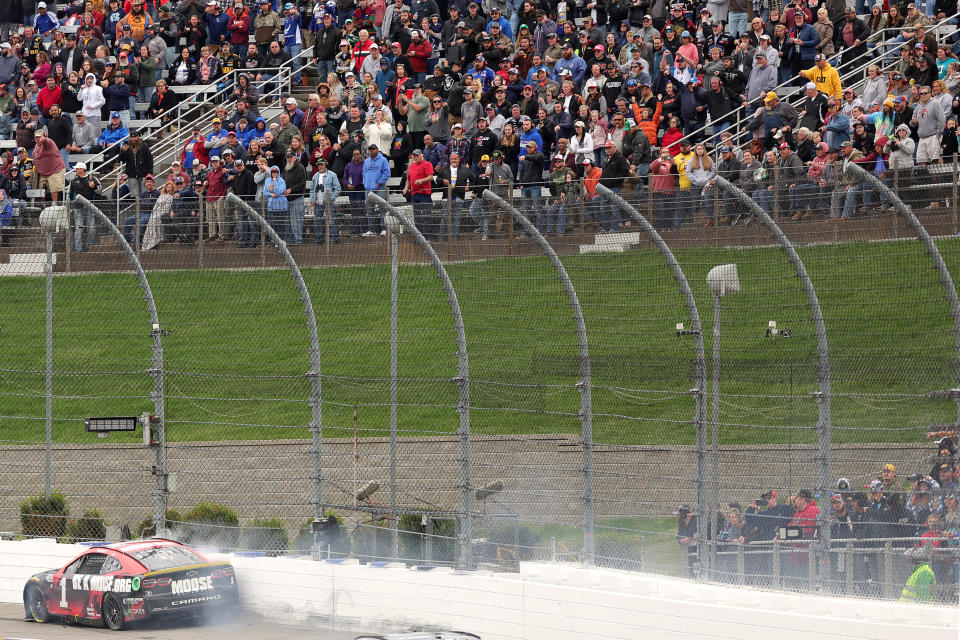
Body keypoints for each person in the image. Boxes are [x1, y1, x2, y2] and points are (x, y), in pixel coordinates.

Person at [69, 162, 101, 252]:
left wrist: (94, 187)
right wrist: (70, 207)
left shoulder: (93, 179)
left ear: (82, 169)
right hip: (78, 208)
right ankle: (78, 250)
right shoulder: (73, 181)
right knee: (78, 229)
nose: (75, 170)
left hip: (91, 208)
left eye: (77, 168)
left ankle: (89, 249)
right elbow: (70, 195)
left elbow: (100, 191)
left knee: (91, 230)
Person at [309, 157, 341, 245]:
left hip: (328, 202)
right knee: (317, 221)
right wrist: (312, 200)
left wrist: (331, 198)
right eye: (319, 165)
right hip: (317, 202)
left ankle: (334, 238)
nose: (320, 166)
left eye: (321, 164)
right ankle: (318, 239)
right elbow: (312, 189)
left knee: (330, 220)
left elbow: (337, 188)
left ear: (325, 165)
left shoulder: (332, 175)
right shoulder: (315, 176)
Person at [361, 143, 390, 236]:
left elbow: (387, 172)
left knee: (382, 208)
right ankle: (372, 230)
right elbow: (364, 173)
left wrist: (380, 182)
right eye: (370, 149)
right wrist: (365, 183)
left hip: (380, 188)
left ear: (377, 150)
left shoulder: (383, 160)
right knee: (370, 210)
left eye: (373, 149)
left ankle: (384, 228)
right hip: (368, 188)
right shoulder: (367, 161)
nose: (372, 151)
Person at [281, 149, 307, 243]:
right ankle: (289, 239)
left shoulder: (300, 167)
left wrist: (291, 189)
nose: (289, 159)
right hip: (287, 198)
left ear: (295, 157)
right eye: (287, 157)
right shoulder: (286, 168)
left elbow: (302, 183)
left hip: (297, 197)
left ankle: (298, 240)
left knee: (296, 220)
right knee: (288, 220)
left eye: (290, 157)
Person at [31, 129, 64, 202]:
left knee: (54, 187)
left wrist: (44, 139)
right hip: (43, 171)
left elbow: (46, 141)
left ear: (44, 136)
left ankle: (54, 204)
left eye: (39, 136)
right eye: (36, 137)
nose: (38, 138)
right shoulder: (36, 145)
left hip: (55, 169)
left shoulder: (49, 142)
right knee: (40, 187)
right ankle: (43, 204)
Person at [263, 165, 288, 242]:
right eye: (273, 172)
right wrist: (270, 194)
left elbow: (279, 191)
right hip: (271, 207)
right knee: (273, 224)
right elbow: (264, 192)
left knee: (280, 224)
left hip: (281, 207)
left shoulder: (282, 181)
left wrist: (274, 183)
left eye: (276, 172)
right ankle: (275, 240)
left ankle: (281, 240)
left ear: (278, 172)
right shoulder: (267, 180)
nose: (274, 173)